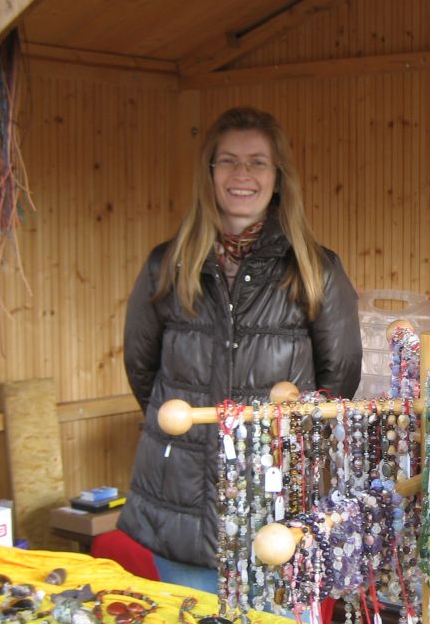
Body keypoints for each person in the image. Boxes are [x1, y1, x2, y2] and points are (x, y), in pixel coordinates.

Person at [119, 106, 362, 592]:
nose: (242, 174)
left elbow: (338, 381)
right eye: (228, 161)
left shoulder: (316, 270)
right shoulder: (167, 266)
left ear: (278, 175)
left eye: (257, 162)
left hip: (274, 502)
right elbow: (141, 370)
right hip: (182, 504)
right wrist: (187, 438)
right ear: (209, 173)